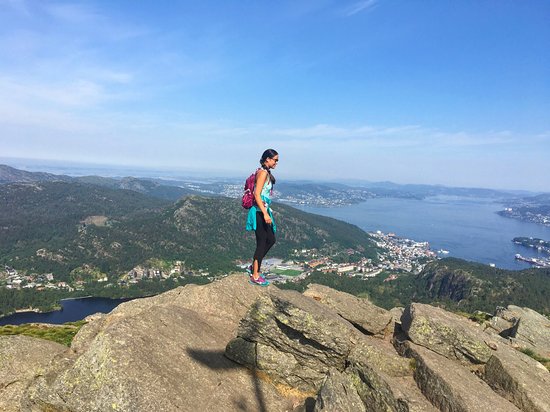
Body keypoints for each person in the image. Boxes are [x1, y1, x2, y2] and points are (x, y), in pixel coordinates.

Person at [246, 149, 279, 286]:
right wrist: (265, 214)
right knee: (262, 242)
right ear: (267, 159)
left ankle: (254, 266)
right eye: (275, 160)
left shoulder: (265, 172)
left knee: (271, 239)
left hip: (263, 211)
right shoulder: (263, 173)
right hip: (259, 212)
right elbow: (256, 194)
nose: (276, 163)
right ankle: (255, 274)